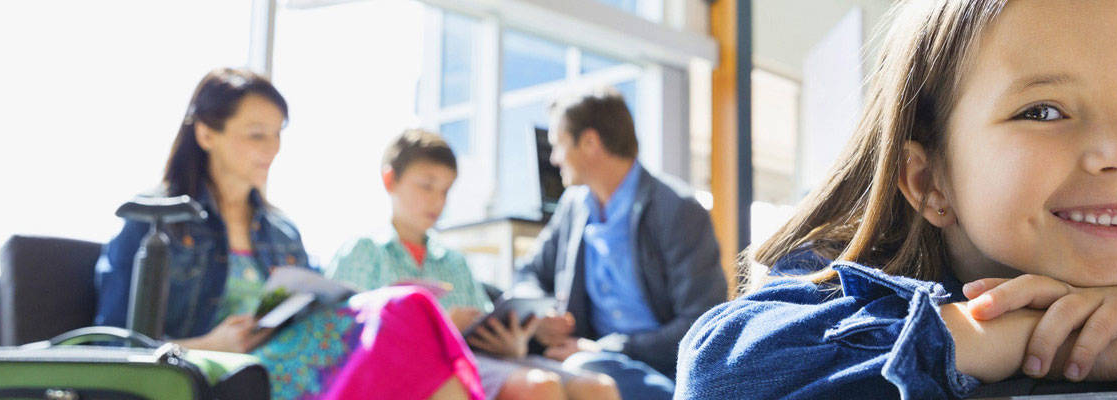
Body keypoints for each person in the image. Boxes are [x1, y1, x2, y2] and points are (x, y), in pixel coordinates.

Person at [676, 1, 1117, 398]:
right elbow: (719, 375)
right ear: (928, 182)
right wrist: (1025, 337)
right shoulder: (848, 291)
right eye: (1043, 112)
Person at [94, 68, 481, 400]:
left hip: (280, 363)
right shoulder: (154, 218)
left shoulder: (281, 232)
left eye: (278, 133)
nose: (272, 148)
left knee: (407, 315)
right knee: (404, 312)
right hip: (214, 372)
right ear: (208, 134)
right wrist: (211, 345)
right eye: (257, 134)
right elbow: (111, 348)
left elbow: (315, 312)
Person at [327, 129, 620, 400]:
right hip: (421, 366)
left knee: (598, 387)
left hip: (484, 359)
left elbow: (487, 326)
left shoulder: (454, 262)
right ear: (390, 180)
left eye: (445, 191)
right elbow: (340, 342)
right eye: (427, 186)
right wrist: (439, 333)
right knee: (539, 386)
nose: (437, 201)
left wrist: (512, 341)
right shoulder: (363, 252)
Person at [513, 87, 727, 400]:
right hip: (588, 362)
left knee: (583, 370)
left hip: (666, 372)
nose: (555, 159)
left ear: (589, 142)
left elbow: (701, 324)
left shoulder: (678, 209)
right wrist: (540, 318)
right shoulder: (573, 207)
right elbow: (528, 274)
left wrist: (608, 348)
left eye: (558, 145)